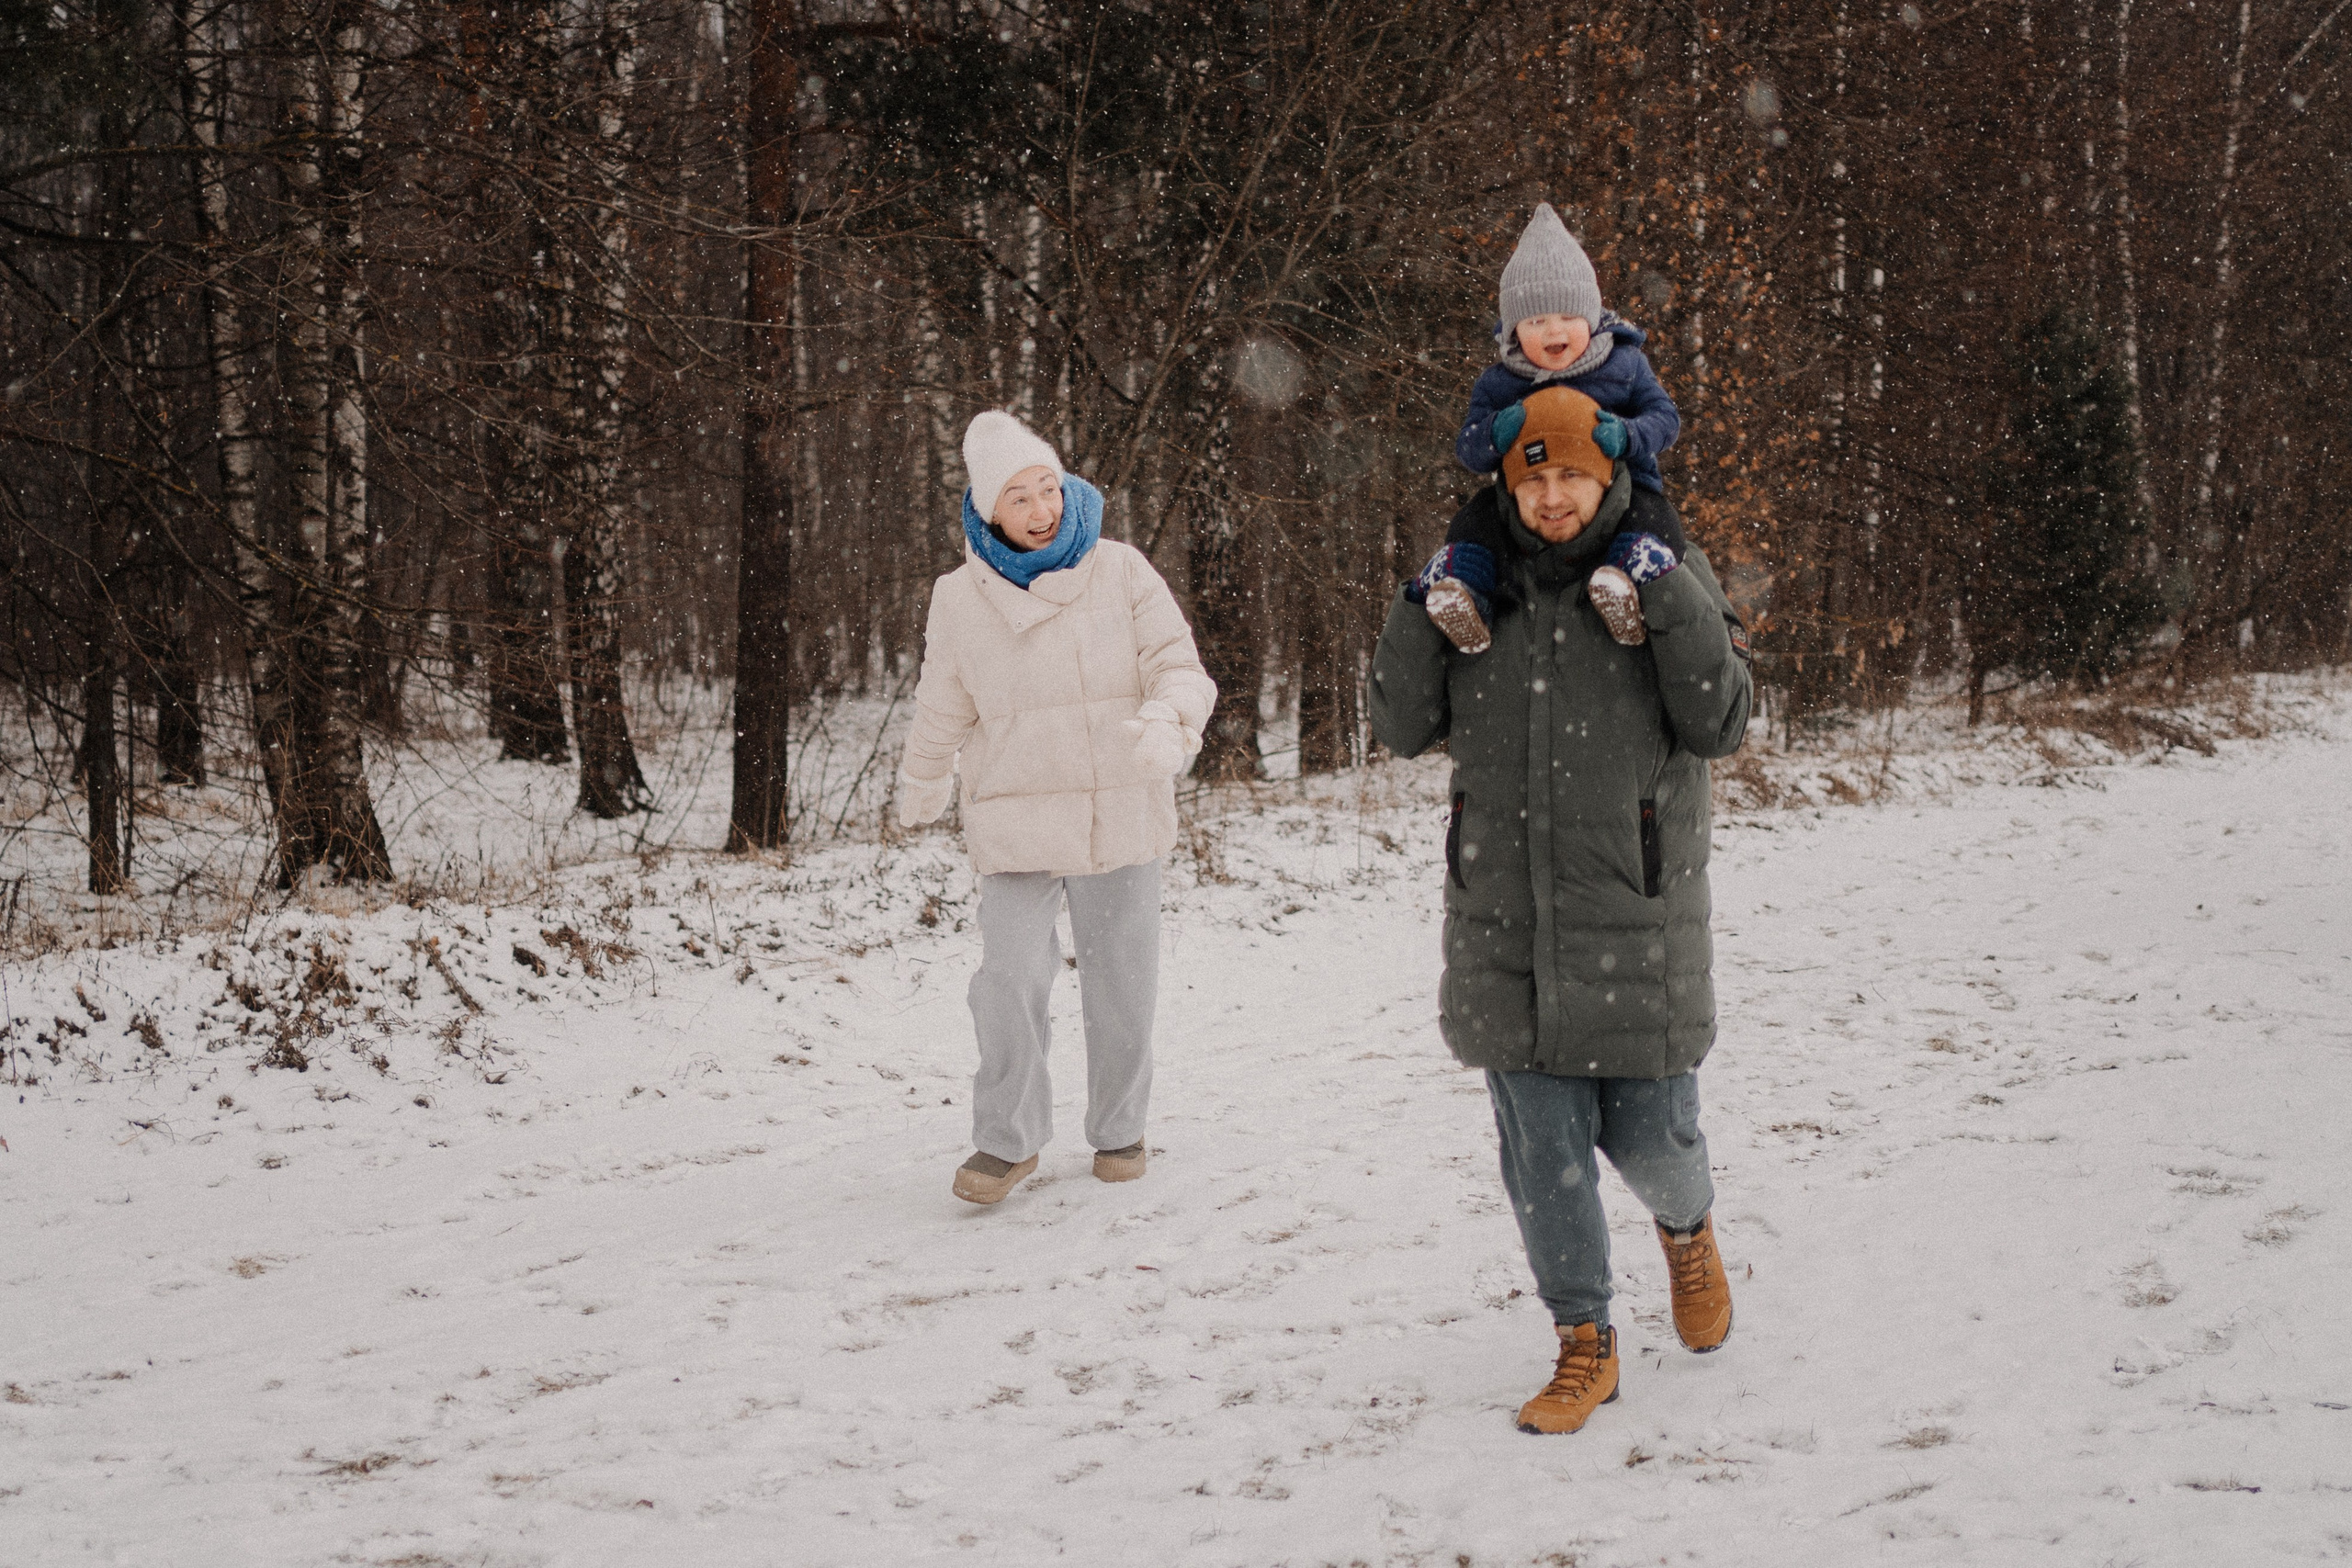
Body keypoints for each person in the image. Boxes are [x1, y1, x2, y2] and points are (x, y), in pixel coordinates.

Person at [1369, 384, 1750, 1436]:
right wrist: (1420, 607)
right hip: (1506, 923)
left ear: (1608, 477)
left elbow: (1720, 720)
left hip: (1635, 919)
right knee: (1541, 1162)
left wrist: (1669, 597)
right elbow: (1400, 726)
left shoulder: (1659, 571)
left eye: (1572, 475)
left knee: (1651, 1143)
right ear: (1506, 481)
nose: (1552, 496)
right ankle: (1584, 1342)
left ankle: (1687, 1229)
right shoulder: (1472, 591)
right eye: (1532, 477)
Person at [897, 411, 1217, 1206]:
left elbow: (1179, 664)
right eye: (1019, 498)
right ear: (986, 511)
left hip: (1120, 804)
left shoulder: (1122, 570)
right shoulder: (959, 598)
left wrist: (1169, 722)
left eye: (1049, 487)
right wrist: (924, 777)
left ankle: (1120, 1127)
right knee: (1005, 977)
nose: (1041, 509)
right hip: (1015, 815)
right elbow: (943, 700)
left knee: (1122, 980)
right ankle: (1007, 1142)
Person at [1411, 201, 1688, 656]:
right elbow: (1467, 447)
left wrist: (1629, 436)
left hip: (1624, 490)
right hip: (1529, 499)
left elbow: (1666, 419)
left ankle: (1622, 581)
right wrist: (1496, 433)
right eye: (1535, 320)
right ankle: (1467, 592)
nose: (1552, 331)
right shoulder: (1500, 382)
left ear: (1592, 317)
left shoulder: (1625, 364)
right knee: (1474, 521)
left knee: (1656, 521)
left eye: (1566, 317)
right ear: (1514, 329)